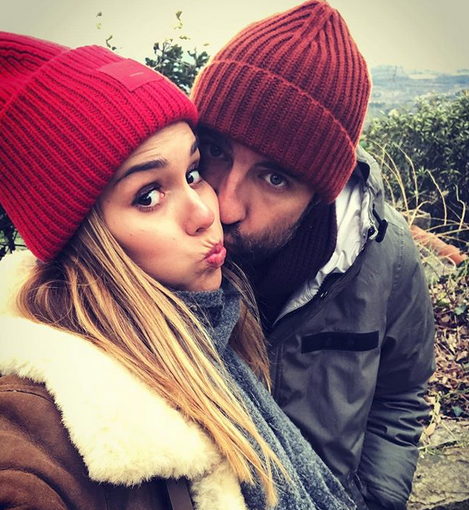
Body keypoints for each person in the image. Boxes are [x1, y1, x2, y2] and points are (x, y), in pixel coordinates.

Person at [0, 32, 357, 510]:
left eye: (192, 173)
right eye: (149, 195)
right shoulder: (38, 413)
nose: (210, 211)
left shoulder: (212, 326)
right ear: (82, 237)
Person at [190, 2, 435, 509]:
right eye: (215, 151)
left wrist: (376, 500)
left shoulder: (384, 257)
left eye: (275, 177)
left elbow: (400, 394)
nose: (225, 206)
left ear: (323, 192)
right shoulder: (161, 247)